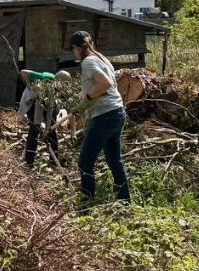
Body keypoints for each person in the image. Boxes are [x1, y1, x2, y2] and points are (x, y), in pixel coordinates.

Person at [70, 30, 130, 205]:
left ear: (77, 48)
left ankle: (87, 203)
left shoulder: (88, 61)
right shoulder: (102, 58)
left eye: (73, 49)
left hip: (105, 116)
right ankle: (124, 201)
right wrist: (82, 107)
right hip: (117, 112)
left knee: (85, 162)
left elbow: (105, 84)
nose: (74, 53)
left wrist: (87, 100)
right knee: (114, 160)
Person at [18, 69, 71, 167]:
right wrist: (30, 86)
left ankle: (54, 160)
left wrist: (48, 129)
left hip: (46, 103)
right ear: (58, 81)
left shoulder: (57, 90)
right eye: (64, 84)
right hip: (33, 102)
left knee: (52, 130)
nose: (64, 87)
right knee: (35, 129)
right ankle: (29, 161)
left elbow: (50, 109)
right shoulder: (45, 79)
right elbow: (23, 72)